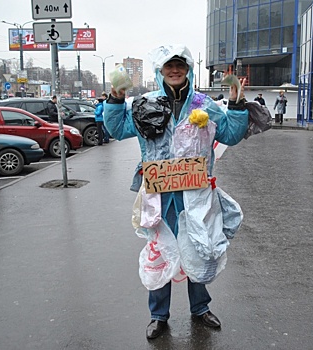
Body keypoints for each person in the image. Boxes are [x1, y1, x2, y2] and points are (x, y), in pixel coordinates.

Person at [103, 45, 249, 340]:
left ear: (188, 70)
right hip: (160, 196)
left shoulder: (204, 105)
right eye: (169, 65)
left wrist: (236, 102)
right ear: (160, 71)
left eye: (180, 65)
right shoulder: (145, 104)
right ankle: (158, 315)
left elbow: (231, 135)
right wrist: (116, 98)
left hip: (196, 194)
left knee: (200, 248)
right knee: (160, 250)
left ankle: (200, 308)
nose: (174, 70)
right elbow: (117, 129)